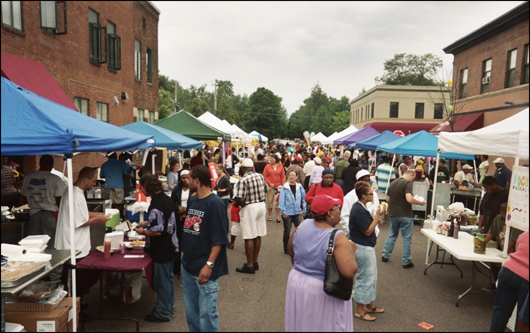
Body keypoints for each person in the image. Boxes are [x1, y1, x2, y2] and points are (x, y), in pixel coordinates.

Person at [284, 195, 357, 332]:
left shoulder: (303, 224)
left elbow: (291, 250)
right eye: (336, 207)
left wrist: (303, 267)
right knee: (323, 325)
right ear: (329, 213)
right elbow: (348, 271)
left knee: (301, 323)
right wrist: (351, 251)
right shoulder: (337, 236)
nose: (339, 210)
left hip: (297, 282)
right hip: (321, 290)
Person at [181, 165, 229, 332]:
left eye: (188, 178)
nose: (186, 182)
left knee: (208, 315)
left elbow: (219, 239)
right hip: (188, 266)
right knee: (192, 314)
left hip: (205, 269)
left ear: (197, 181)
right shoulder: (193, 200)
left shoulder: (215, 204)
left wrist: (209, 264)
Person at [55, 167, 109, 295]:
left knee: (79, 279)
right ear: (86, 179)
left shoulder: (74, 192)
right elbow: (80, 222)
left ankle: (78, 304)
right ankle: (76, 306)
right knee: (76, 279)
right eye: (94, 181)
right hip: (73, 244)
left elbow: (81, 213)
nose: (95, 184)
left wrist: (96, 213)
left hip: (76, 243)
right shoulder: (75, 195)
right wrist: (97, 219)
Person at [134, 174, 179, 322]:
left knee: (163, 282)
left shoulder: (156, 204)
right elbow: (163, 220)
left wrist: (143, 231)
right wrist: (147, 222)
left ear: (147, 185)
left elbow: (157, 231)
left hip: (161, 249)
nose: (141, 189)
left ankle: (163, 313)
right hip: (171, 246)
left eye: (142, 186)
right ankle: (168, 307)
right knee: (169, 279)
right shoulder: (166, 199)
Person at [350, 181, 384, 322]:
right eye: (370, 193)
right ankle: (360, 310)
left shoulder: (362, 207)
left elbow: (369, 225)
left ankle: (369, 304)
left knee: (371, 276)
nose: (373, 195)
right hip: (362, 247)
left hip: (365, 246)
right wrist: (376, 217)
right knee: (365, 278)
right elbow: (367, 231)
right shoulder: (358, 209)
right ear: (363, 196)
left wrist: (376, 219)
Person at [381, 169, 425, 268]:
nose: (413, 180)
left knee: (392, 235)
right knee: (406, 238)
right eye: (413, 177)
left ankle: (385, 255)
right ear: (411, 175)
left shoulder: (393, 183)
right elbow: (409, 199)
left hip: (393, 213)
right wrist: (420, 203)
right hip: (405, 214)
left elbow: (388, 199)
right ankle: (406, 261)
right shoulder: (408, 183)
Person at [489, 231, 529, 332]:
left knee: (499, 313)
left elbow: (518, 247)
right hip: (526, 278)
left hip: (507, 271)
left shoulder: (524, 234)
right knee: (523, 319)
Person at [21, 155, 64, 247]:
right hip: (50, 216)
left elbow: (23, 198)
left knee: (33, 245)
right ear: (51, 165)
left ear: (39, 164)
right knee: (51, 245)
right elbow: (59, 200)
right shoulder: (56, 179)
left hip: (33, 216)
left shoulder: (28, 177)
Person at [234, 158, 268, 274]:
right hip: (261, 205)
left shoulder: (243, 180)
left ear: (243, 168)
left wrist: (236, 203)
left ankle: (249, 266)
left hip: (250, 207)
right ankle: (255, 261)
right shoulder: (260, 176)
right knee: (257, 234)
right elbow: (265, 190)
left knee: (249, 236)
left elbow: (241, 198)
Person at [340, 170, 380, 238]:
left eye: (368, 180)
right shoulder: (349, 196)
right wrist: (351, 231)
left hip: (371, 233)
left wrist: (374, 229)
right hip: (355, 235)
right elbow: (345, 216)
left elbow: (375, 212)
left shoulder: (374, 195)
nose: (367, 182)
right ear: (358, 182)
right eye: (365, 180)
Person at [278, 170, 307, 254]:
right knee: (287, 231)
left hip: (297, 212)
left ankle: (299, 247)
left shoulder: (299, 187)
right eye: (290, 175)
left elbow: (303, 198)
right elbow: (281, 201)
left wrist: (303, 209)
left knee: (299, 231)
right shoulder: (284, 187)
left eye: (293, 175)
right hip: (288, 213)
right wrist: (284, 212)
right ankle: (286, 248)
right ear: (288, 177)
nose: (292, 177)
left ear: (296, 177)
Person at [100, 152, 132, 218]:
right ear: (115, 156)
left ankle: (111, 219)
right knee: (119, 203)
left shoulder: (104, 165)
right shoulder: (120, 163)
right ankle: (119, 219)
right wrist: (132, 167)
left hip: (108, 186)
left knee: (110, 204)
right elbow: (128, 171)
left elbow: (101, 176)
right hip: (118, 185)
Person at [170, 170, 190, 276]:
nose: (186, 180)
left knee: (188, 243)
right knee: (178, 242)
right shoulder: (176, 189)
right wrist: (178, 207)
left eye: (187, 177)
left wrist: (187, 209)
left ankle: (188, 268)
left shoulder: (193, 188)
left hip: (190, 218)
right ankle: (176, 269)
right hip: (179, 218)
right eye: (183, 178)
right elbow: (172, 202)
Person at [263, 154, 286, 223]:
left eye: (272, 158)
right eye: (271, 158)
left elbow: (283, 176)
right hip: (270, 187)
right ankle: (269, 216)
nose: (271, 160)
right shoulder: (267, 166)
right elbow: (265, 176)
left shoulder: (280, 167)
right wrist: (270, 183)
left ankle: (277, 216)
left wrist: (283, 184)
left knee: (277, 202)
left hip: (278, 186)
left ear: (276, 159)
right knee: (270, 201)